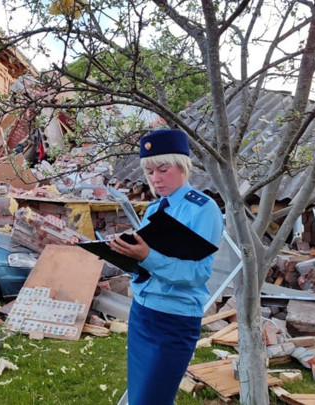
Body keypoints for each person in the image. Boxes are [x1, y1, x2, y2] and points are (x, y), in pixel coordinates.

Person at [109, 129, 224, 405]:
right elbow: (149, 264)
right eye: (149, 172)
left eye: (162, 169)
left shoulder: (203, 209)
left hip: (173, 319)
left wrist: (147, 255)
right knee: (140, 397)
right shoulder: (153, 209)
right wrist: (124, 254)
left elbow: (197, 274)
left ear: (183, 165)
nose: (155, 178)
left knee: (152, 400)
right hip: (143, 313)